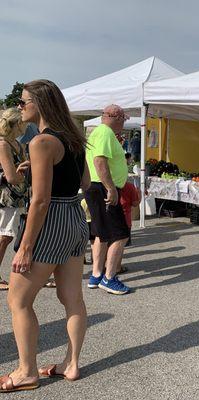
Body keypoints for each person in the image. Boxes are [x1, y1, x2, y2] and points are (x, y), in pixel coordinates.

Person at [0, 79, 90, 393]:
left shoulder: (42, 143)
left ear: (40, 103)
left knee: (18, 299)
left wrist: (25, 248)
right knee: (72, 298)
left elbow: (40, 200)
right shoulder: (75, 139)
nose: (19, 106)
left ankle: (26, 371)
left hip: (51, 220)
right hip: (75, 218)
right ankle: (71, 363)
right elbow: (86, 185)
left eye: (24, 101)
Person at [84, 104, 131, 295]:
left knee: (101, 234)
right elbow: (99, 161)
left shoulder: (101, 132)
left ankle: (96, 275)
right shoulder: (104, 132)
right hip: (101, 187)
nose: (123, 123)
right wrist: (111, 188)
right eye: (123, 119)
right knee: (120, 234)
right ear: (115, 117)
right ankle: (109, 277)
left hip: (96, 187)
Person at [0, 108, 27, 291]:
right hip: (7, 197)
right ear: (17, 123)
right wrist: (28, 174)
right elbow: (11, 176)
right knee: (4, 236)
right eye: (23, 121)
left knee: (10, 236)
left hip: (18, 196)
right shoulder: (3, 144)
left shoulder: (17, 144)